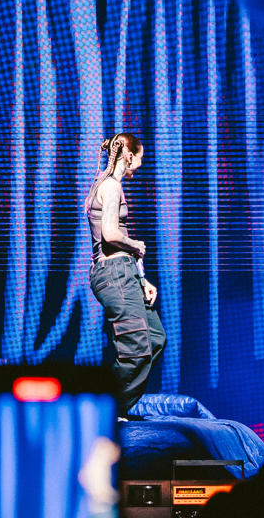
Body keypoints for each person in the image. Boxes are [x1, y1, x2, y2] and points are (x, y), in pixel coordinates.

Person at [85, 132, 166, 411]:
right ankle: (100, 413)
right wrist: (136, 245)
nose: (140, 165)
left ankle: (114, 408)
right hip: (115, 273)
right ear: (129, 155)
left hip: (125, 271)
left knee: (154, 337)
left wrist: (142, 278)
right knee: (135, 352)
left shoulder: (106, 185)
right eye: (140, 158)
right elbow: (110, 234)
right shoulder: (110, 186)